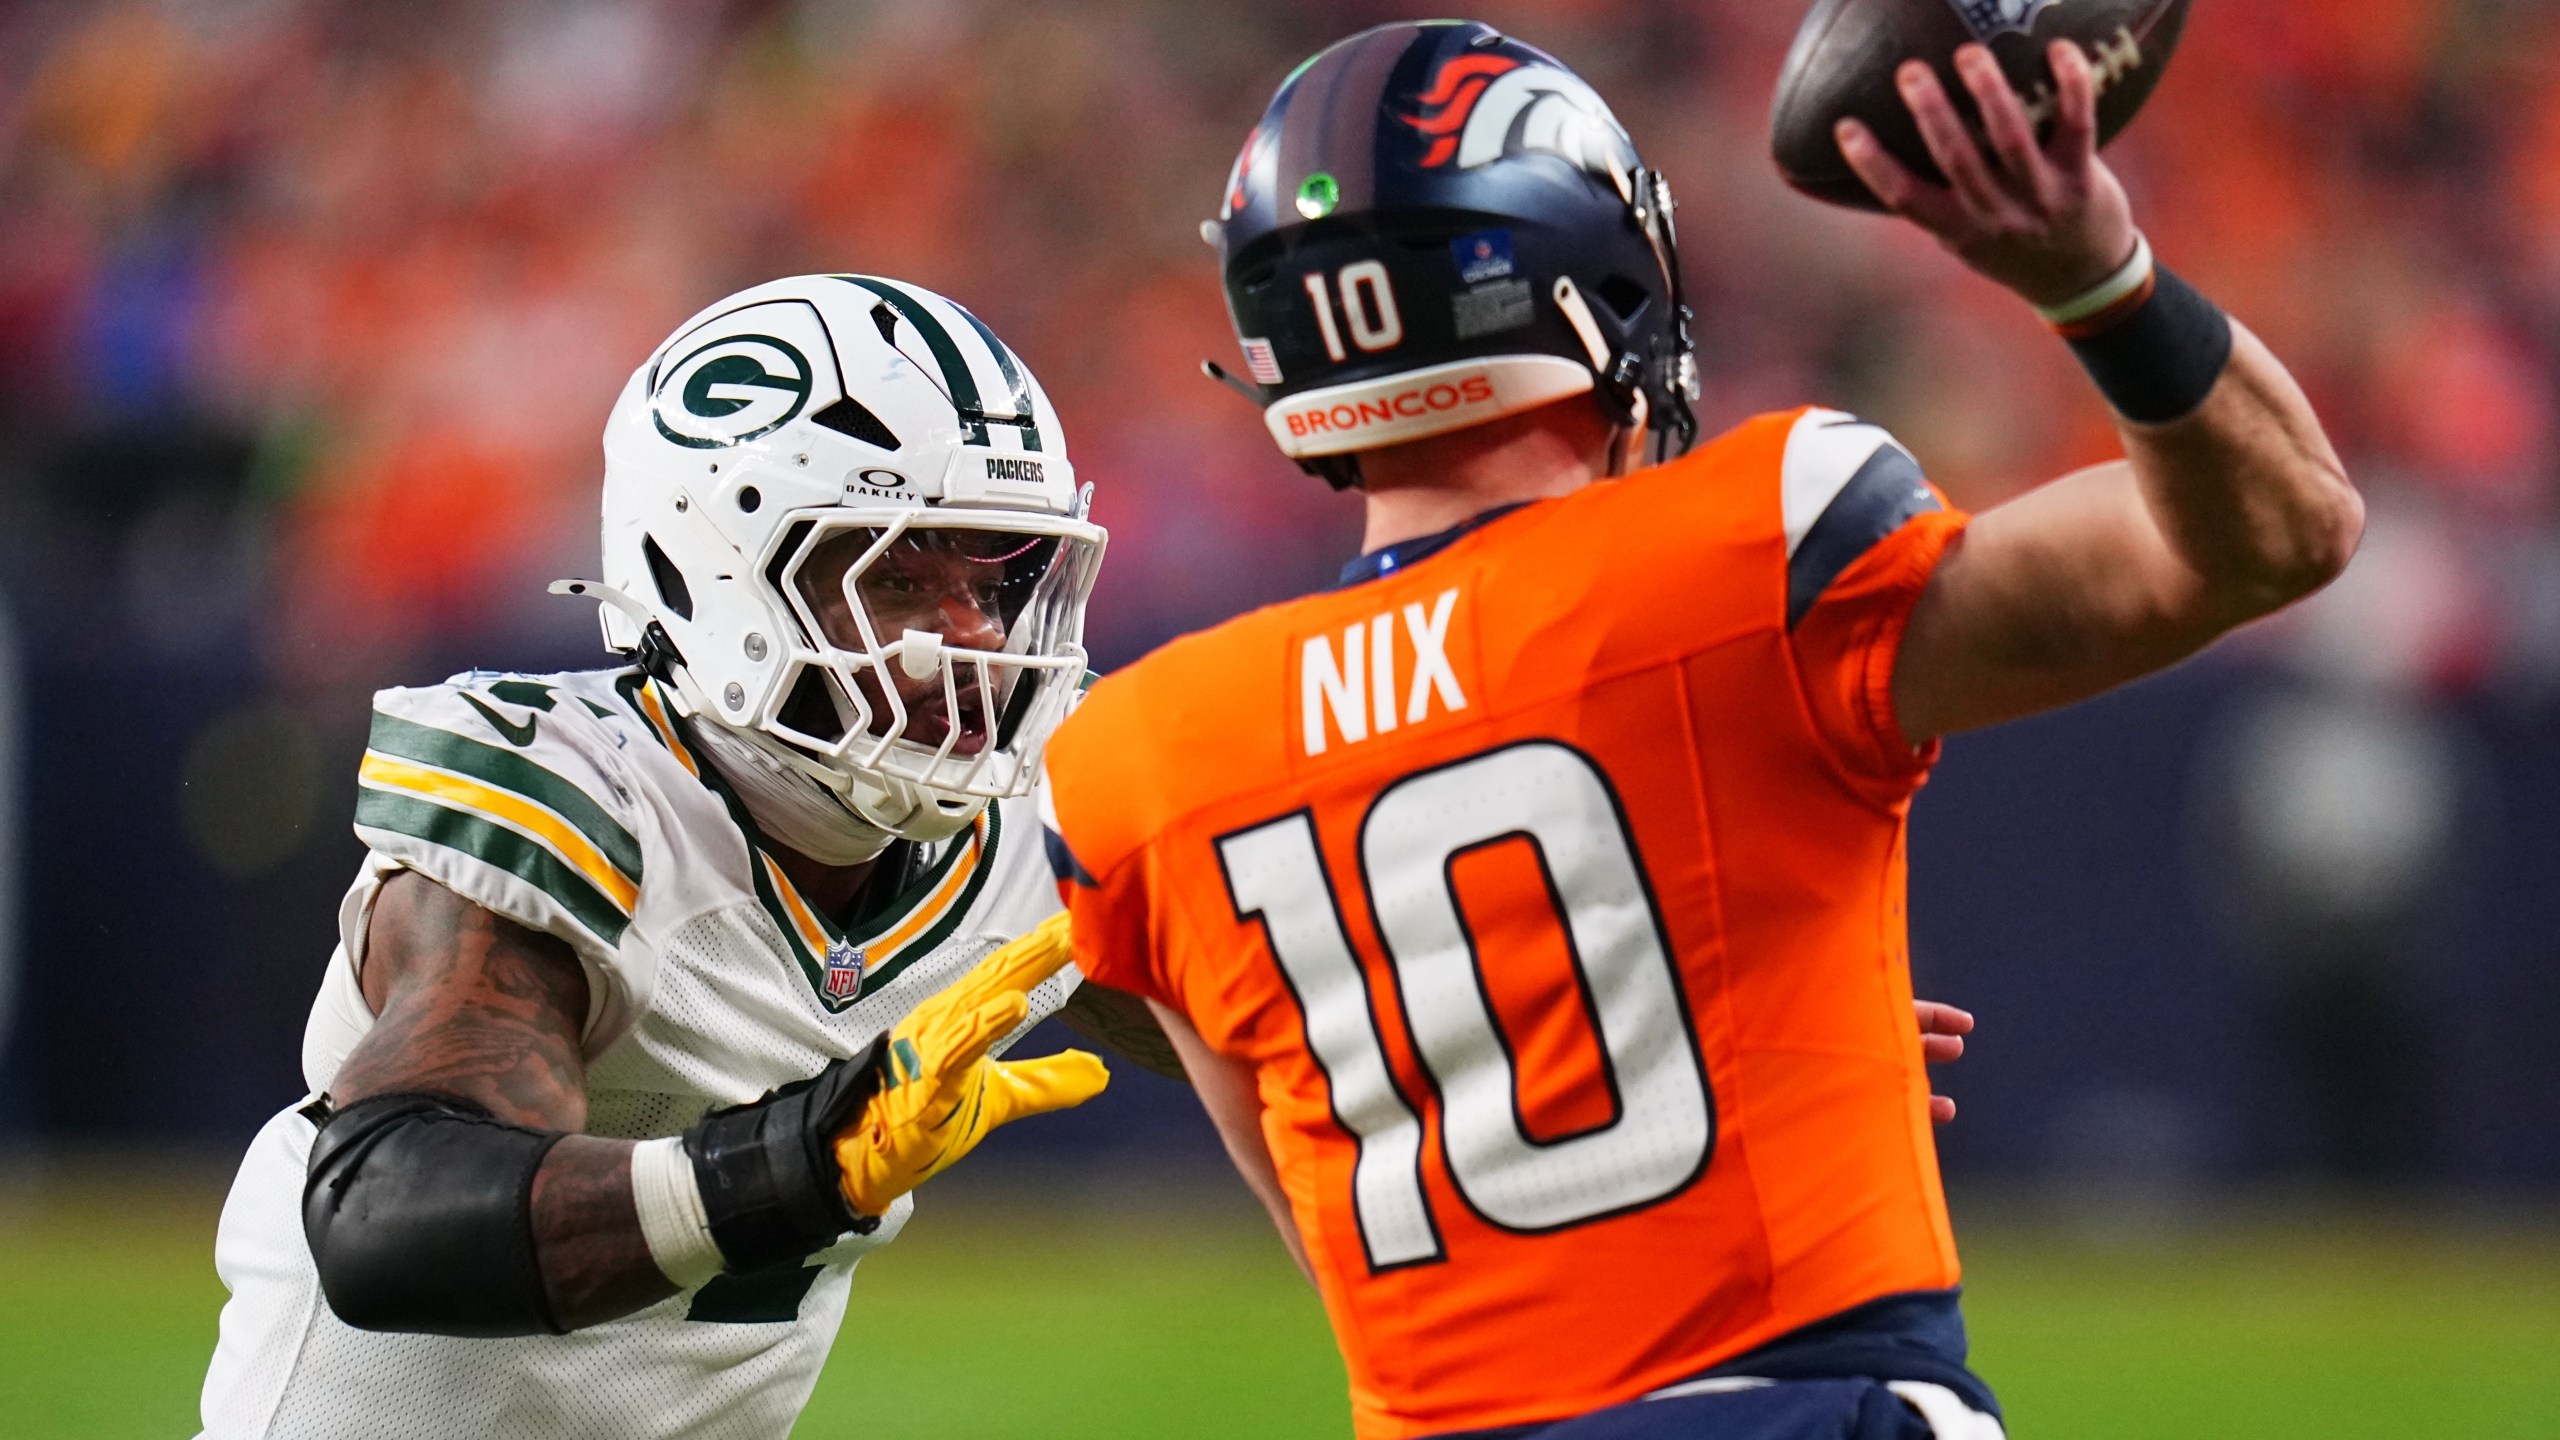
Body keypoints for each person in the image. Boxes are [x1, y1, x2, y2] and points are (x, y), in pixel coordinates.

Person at [1039, 20, 2359, 1440]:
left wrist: (1663, 1019)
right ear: (1589, 276)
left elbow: (1325, 1163)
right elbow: (2278, 534)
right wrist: (2099, 280)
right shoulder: (1751, 546)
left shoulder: (1141, 760)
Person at [195, 274, 1165, 1440]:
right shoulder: (584, 790)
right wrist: (791, 1169)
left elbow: (1307, 1036)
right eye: (899, 580)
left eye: (994, 580)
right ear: (711, 572)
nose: (971, 638)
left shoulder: (1041, 816)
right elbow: (386, 1219)